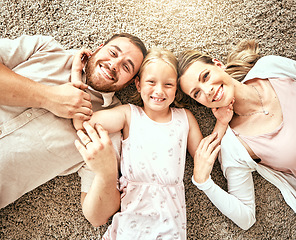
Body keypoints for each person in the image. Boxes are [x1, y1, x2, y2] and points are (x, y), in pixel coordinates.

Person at [73, 48, 232, 239]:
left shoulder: (184, 118)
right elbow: (83, 123)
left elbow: (204, 158)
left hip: (170, 220)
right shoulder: (129, 114)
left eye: (168, 84)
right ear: (138, 85)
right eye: (151, 82)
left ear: (176, 89)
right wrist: (76, 77)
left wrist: (221, 123)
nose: (159, 91)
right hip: (132, 218)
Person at [0, 33, 147, 208]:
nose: (114, 65)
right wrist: (47, 97)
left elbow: (97, 216)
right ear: (98, 48)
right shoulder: (46, 48)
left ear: (130, 83)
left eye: (126, 67)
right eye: (113, 53)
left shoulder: (109, 128)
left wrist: (107, 174)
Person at [177, 39, 296, 230]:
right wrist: (203, 182)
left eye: (206, 76)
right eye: (197, 93)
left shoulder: (270, 67)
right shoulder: (235, 146)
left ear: (218, 64)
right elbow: (246, 218)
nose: (207, 91)